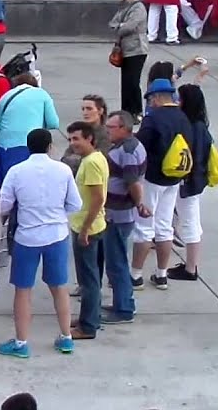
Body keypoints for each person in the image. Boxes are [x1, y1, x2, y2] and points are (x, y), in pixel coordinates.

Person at [0, 129, 81, 359]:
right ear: (50, 146)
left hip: (27, 237)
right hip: (56, 234)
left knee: (23, 290)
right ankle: (66, 337)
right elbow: (75, 204)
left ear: (28, 146)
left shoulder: (16, 172)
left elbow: (3, 205)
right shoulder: (63, 170)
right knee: (59, 287)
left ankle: (21, 341)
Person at [131, 79, 194, 289]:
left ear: (156, 98)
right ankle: (161, 275)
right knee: (164, 227)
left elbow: (140, 145)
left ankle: (136, 275)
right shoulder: (182, 117)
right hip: (174, 177)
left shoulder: (153, 118)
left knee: (144, 227)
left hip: (152, 177)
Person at [102, 110, 149, 323]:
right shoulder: (125, 146)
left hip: (118, 214)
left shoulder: (128, 151)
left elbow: (132, 182)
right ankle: (122, 303)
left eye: (111, 127)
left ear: (123, 128)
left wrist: (139, 204)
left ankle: (124, 309)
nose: (107, 130)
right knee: (116, 260)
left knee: (117, 261)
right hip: (117, 212)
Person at [64, 121, 108, 341]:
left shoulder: (90, 163)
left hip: (87, 227)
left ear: (90, 138)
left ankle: (87, 326)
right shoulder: (97, 158)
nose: (73, 144)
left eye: (77, 139)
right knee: (93, 278)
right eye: (71, 139)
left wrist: (84, 230)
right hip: (96, 225)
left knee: (88, 280)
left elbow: (98, 198)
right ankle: (90, 317)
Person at [169, 84, 214, 281]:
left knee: (189, 221)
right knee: (190, 219)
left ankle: (190, 268)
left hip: (188, 181)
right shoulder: (200, 125)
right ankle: (190, 265)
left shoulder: (191, 127)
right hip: (196, 180)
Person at [109, 0, 148, 119]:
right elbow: (112, 23)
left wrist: (121, 26)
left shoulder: (138, 8)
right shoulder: (123, 7)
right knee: (125, 83)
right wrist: (121, 25)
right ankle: (125, 112)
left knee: (133, 82)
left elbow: (130, 26)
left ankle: (137, 112)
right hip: (124, 50)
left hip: (137, 49)